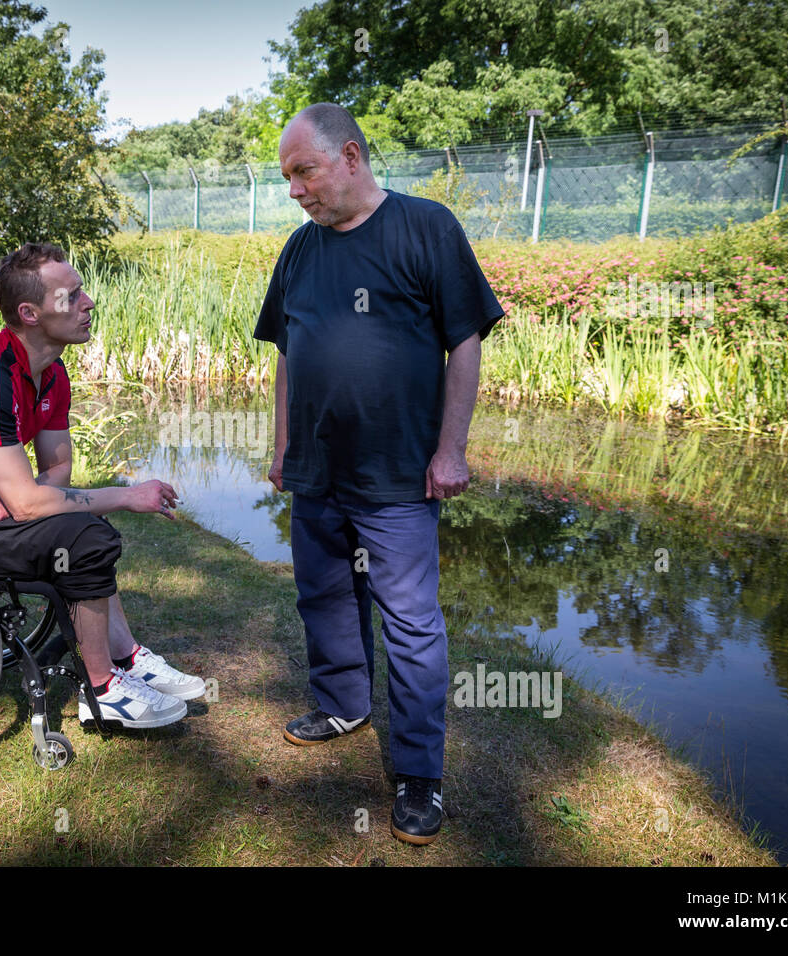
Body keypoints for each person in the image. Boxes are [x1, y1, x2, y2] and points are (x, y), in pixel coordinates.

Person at [253, 103, 505, 844]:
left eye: (306, 171)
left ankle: (420, 774)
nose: (296, 189)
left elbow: (465, 344)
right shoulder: (299, 250)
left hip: (398, 474)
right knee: (325, 595)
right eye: (287, 177)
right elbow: (288, 357)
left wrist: (450, 451)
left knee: (412, 623)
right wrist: (282, 445)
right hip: (317, 470)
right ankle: (342, 704)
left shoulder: (427, 228)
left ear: (352, 158)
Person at [0, 242, 205, 728]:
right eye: (71, 296)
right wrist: (126, 495)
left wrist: (10, 494)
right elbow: (34, 501)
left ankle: (125, 656)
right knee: (86, 536)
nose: (88, 303)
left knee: (77, 517)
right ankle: (102, 694)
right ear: (30, 313)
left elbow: (57, 474)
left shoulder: (51, 373)